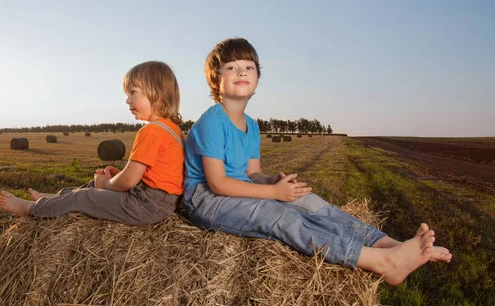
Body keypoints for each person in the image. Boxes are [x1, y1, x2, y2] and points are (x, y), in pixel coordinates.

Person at [183, 38, 452, 285]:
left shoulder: (251, 126)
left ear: (257, 77)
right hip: (206, 199)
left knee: (313, 204)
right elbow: (218, 184)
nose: (241, 72)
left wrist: (272, 181)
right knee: (279, 217)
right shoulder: (212, 122)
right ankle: (383, 262)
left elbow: (252, 173)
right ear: (214, 80)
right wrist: (273, 194)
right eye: (231, 67)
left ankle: (389, 244)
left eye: (248, 67)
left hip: (238, 189)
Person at [0, 61, 184, 226]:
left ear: (157, 95)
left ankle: (31, 209)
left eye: (133, 93)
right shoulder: (172, 130)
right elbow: (154, 175)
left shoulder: (151, 131)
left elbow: (128, 181)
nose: (127, 100)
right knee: (90, 186)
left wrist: (107, 184)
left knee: (86, 195)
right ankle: (57, 199)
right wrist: (115, 176)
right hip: (160, 201)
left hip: (147, 205)